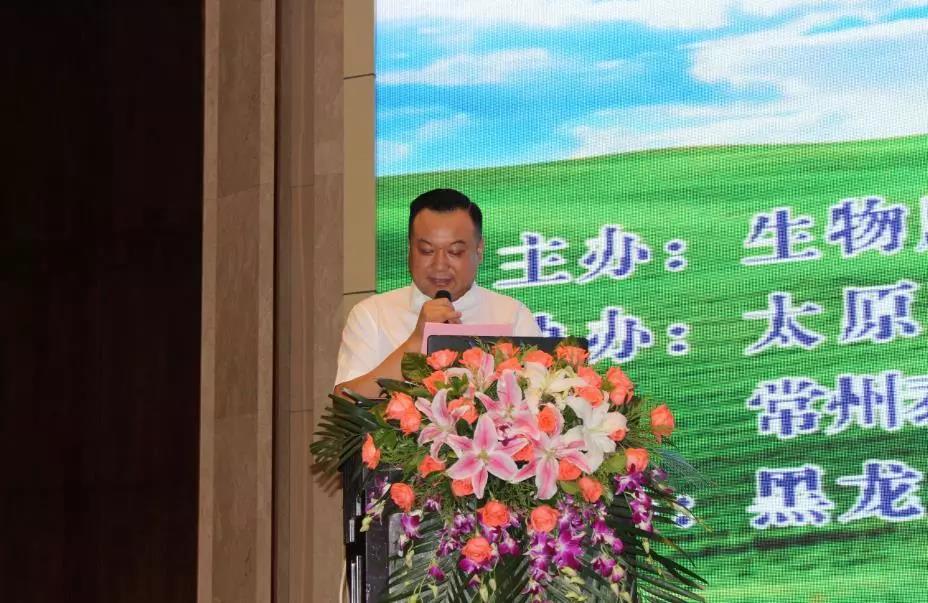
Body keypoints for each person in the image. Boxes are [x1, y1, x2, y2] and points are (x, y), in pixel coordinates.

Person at [334, 188, 542, 398]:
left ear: (479, 250)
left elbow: (543, 397)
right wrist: (417, 340)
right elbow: (345, 401)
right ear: (409, 248)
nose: (440, 265)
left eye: (455, 252)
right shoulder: (373, 314)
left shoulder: (512, 315)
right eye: (426, 251)